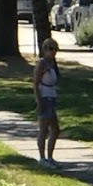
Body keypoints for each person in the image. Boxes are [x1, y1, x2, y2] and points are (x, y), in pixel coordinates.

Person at [34, 37, 60, 166]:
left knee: (55, 130)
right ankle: (42, 157)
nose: (53, 52)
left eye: (55, 49)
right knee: (44, 129)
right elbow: (36, 83)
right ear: (44, 50)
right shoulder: (42, 64)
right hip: (44, 98)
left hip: (51, 96)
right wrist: (39, 101)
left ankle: (50, 157)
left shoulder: (52, 64)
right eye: (50, 49)